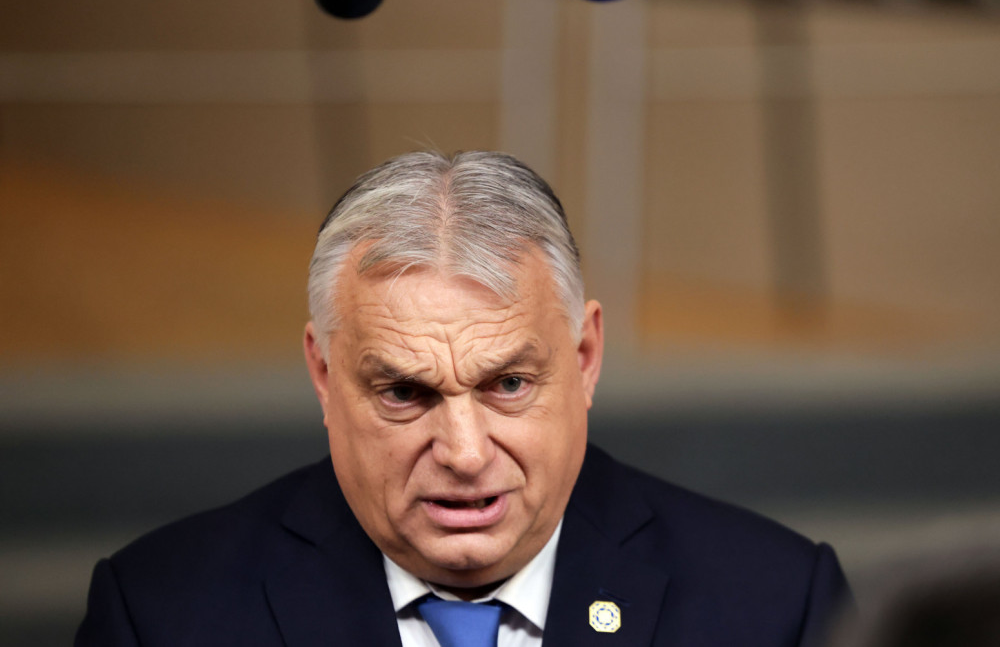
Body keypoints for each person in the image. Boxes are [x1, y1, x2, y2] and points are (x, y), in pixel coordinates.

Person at [76, 150, 851, 646]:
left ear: (585, 358)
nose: (465, 453)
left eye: (508, 384)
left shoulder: (780, 606)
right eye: (404, 393)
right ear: (323, 374)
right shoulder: (161, 613)